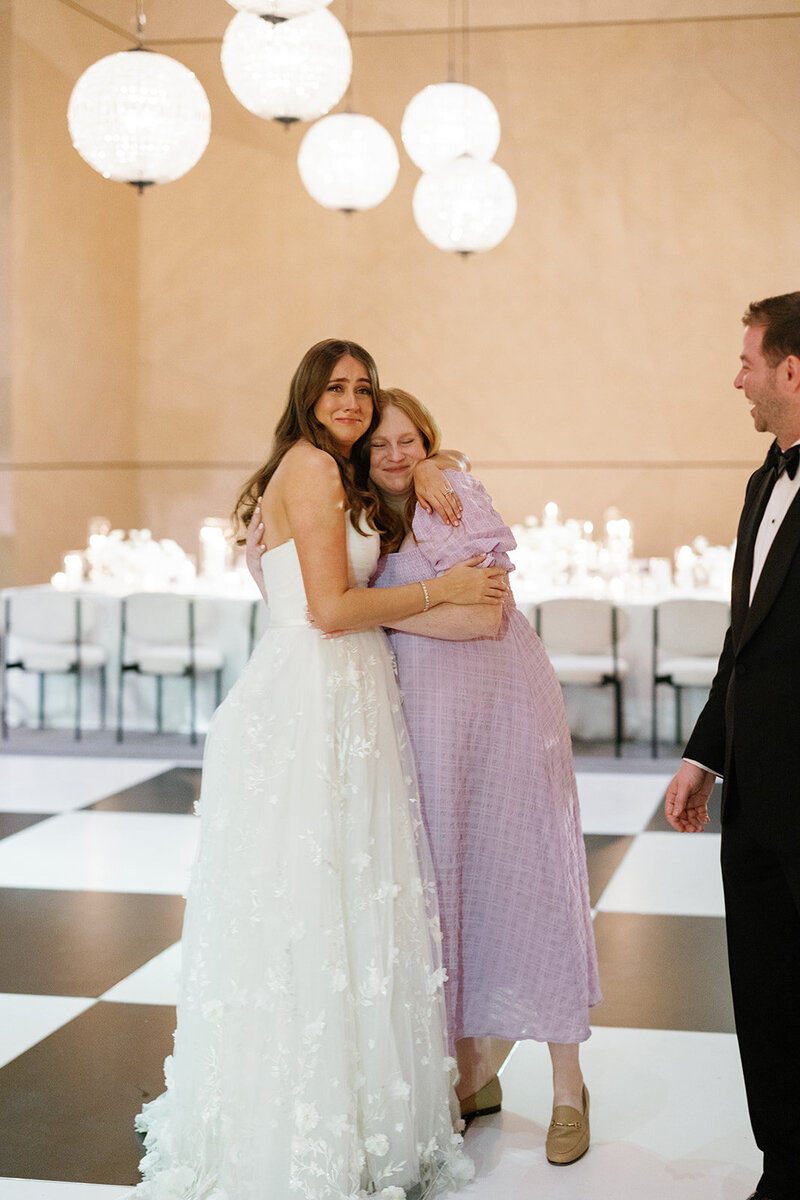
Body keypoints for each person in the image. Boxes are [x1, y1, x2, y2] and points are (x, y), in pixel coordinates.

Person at [133, 339, 507, 1200]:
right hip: (314, 695)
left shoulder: (334, 471)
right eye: (337, 387)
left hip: (343, 696)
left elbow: (337, 560)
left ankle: (349, 1106)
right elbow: (332, 609)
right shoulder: (309, 467)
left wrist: (437, 461)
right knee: (312, 901)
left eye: (363, 388)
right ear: (308, 395)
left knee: (344, 902)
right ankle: (303, 1119)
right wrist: (445, 592)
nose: (352, 401)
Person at [250, 387, 600, 1164]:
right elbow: (304, 601)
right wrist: (368, 603)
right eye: (381, 444)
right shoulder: (356, 514)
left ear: (430, 442)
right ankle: (470, 1077)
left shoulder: (452, 496)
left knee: (529, 884)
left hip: (502, 714)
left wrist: (364, 606)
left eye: (411, 441)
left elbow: (484, 615)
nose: (397, 455)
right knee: (438, 900)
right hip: (416, 725)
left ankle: (569, 1088)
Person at [665, 293, 800, 1200]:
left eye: (748, 361)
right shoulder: (762, 481)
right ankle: (784, 1166)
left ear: (792, 369)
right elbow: (741, 639)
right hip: (754, 789)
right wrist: (703, 753)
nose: (737, 379)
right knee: (765, 990)